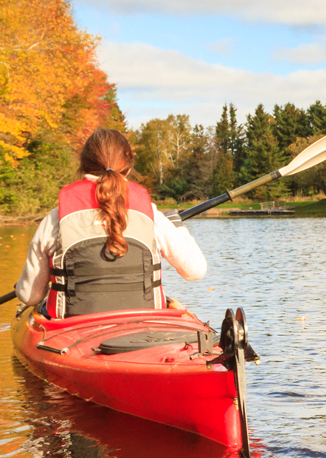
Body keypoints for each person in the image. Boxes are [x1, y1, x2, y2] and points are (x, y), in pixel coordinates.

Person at [15, 129, 207, 318]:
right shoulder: (152, 215)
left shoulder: (56, 218)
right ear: (129, 168)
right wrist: (179, 228)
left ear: (83, 167)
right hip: (144, 327)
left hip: (71, 332)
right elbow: (195, 271)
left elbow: (30, 296)